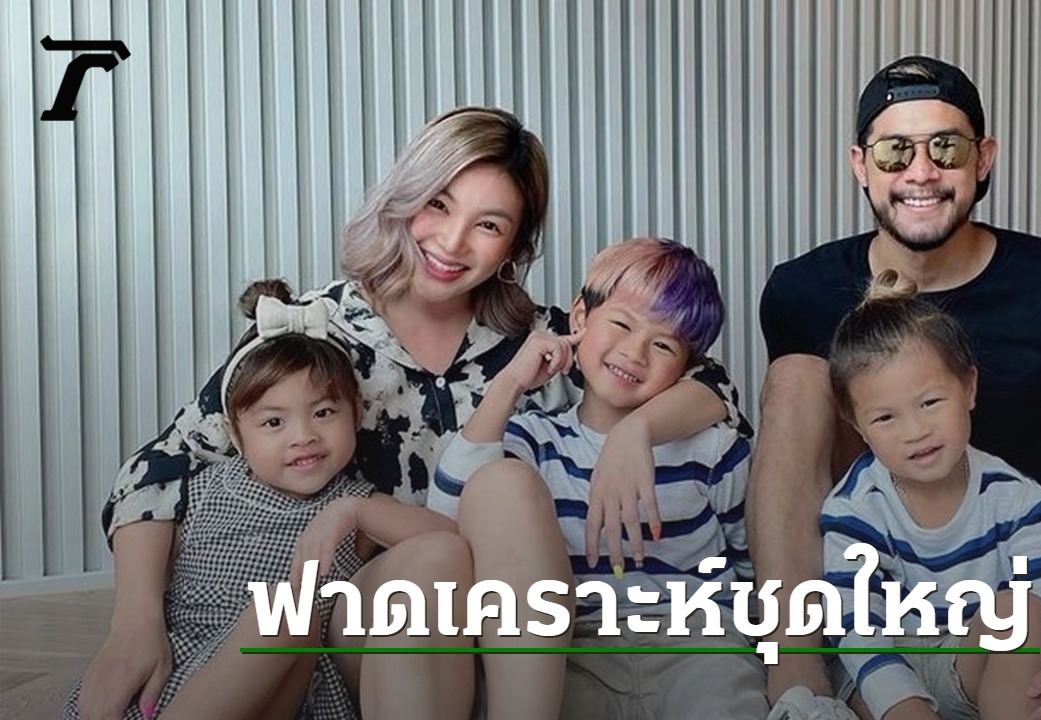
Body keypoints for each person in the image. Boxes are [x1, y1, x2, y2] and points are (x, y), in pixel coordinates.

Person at [81, 107, 748, 720]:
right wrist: (134, 620)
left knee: (495, 503)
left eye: (489, 225)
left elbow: (709, 383)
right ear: (404, 200)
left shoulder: (541, 342)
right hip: (365, 613)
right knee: (432, 562)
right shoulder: (316, 330)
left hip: (514, 629)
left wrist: (637, 431)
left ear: (513, 248)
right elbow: (159, 466)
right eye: (438, 204)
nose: (452, 243)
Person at [751, 55, 1041, 719]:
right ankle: (795, 677)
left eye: (947, 147)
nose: (921, 172)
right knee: (795, 374)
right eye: (895, 151)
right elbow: (796, 459)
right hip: (876, 568)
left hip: (1018, 561)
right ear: (860, 165)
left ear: (983, 157)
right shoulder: (800, 291)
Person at [67, 281, 448, 719]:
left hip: (286, 683)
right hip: (191, 668)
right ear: (234, 434)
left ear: (356, 414)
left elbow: (446, 540)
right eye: (273, 423)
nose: (303, 436)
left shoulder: (355, 504)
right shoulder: (201, 488)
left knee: (286, 611)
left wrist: (358, 511)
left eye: (324, 413)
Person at [431, 237, 768, 720]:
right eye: (622, 324)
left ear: (688, 366)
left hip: (699, 648)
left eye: (663, 344)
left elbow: (756, 567)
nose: (635, 352)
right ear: (580, 318)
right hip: (577, 651)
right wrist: (510, 382)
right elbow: (450, 511)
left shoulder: (714, 448)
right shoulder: (535, 441)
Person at [820, 269, 1041, 720]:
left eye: (930, 402)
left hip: (970, 659)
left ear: (969, 387)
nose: (916, 431)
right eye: (885, 418)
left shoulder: (1017, 498)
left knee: (1023, 612)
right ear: (857, 425)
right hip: (888, 665)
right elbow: (857, 627)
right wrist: (904, 706)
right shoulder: (854, 509)